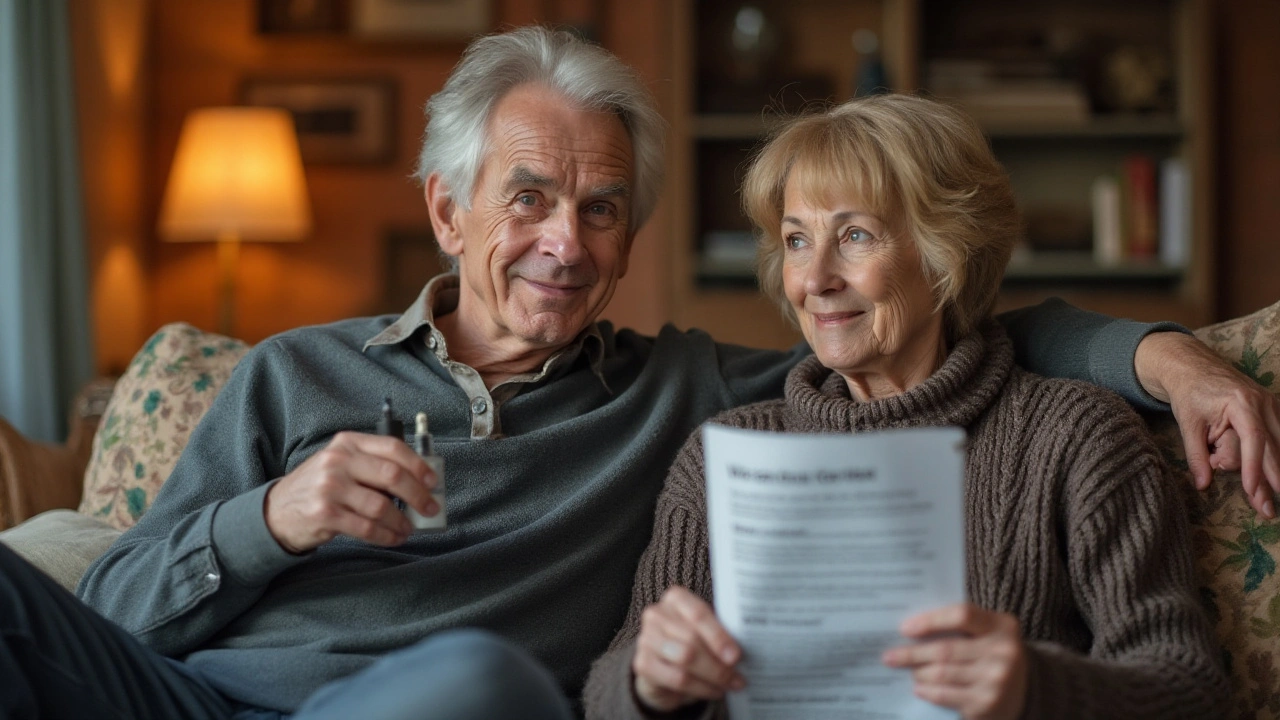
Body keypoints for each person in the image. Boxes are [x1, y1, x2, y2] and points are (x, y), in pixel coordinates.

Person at [0, 27, 1268, 720]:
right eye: (530, 197)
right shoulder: (291, 375)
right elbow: (112, 606)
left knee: (482, 678)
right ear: (448, 211)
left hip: (441, 708)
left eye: (603, 210)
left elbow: (928, 341)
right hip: (181, 697)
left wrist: (1161, 356)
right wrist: (271, 518)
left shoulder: (687, 396)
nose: (565, 241)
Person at [582, 94, 1231, 720]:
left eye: (856, 235)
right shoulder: (724, 454)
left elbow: (1189, 686)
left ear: (948, 253)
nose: (814, 280)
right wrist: (649, 681)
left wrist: (1038, 688)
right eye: (797, 241)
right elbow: (610, 690)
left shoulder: (1077, 438)